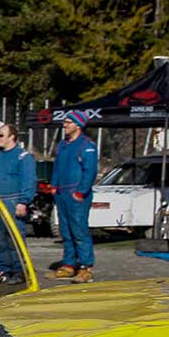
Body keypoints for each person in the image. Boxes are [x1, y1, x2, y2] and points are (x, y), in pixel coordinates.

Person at [52, 110, 99, 282]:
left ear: (78, 125)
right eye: (64, 122)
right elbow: (56, 166)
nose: (65, 125)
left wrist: (81, 191)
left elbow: (90, 171)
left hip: (76, 193)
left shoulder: (86, 145)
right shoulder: (62, 145)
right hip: (61, 192)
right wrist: (54, 185)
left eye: (68, 122)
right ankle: (69, 264)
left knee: (79, 230)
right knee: (66, 230)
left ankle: (86, 266)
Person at [0, 122, 36, 281]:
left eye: (1, 135)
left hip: (13, 200)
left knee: (15, 239)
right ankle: (4, 270)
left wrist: (23, 201)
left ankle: (19, 270)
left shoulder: (23, 157)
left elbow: (28, 180)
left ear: (12, 137)